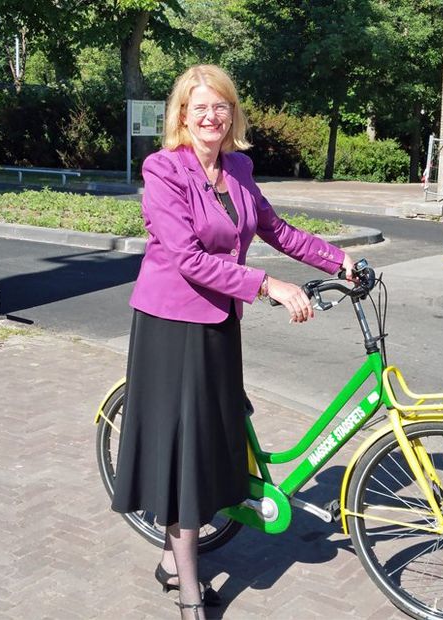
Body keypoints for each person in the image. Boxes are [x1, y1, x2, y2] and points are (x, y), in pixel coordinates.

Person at [110, 64, 354, 620]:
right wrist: (267, 284)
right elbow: (187, 259)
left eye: (220, 106)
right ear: (181, 115)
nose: (211, 116)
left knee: (214, 437)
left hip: (220, 321)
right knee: (186, 447)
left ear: (232, 113)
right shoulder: (163, 169)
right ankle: (189, 586)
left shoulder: (238, 169)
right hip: (172, 322)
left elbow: (277, 230)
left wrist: (340, 259)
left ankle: (174, 561)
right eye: (199, 107)